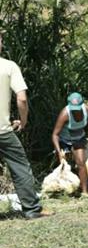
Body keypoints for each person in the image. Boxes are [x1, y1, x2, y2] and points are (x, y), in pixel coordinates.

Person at [0, 33, 51, 219]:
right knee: (20, 167)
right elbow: (21, 98)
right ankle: (31, 209)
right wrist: (23, 120)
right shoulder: (8, 66)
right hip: (3, 131)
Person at [51, 92, 88, 195]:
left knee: (81, 163)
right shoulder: (65, 113)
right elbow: (55, 135)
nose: (76, 111)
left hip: (79, 138)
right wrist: (58, 151)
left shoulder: (87, 109)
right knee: (64, 165)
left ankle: (85, 192)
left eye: (78, 109)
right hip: (65, 140)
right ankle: (64, 190)